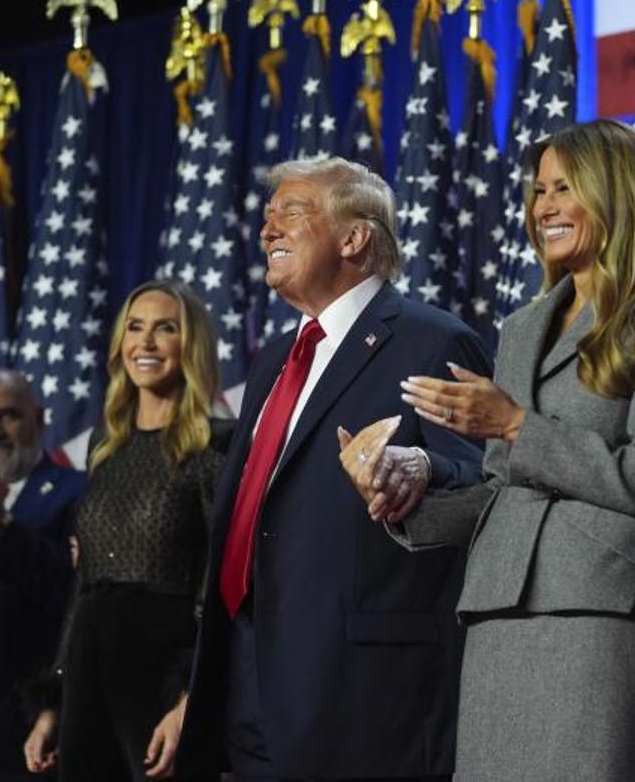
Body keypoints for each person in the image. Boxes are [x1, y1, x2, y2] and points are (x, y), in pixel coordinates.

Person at [338, 119, 635, 781]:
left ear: (615, 192)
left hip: (597, 610)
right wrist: (407, 500)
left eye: (565, 188)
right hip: (498, 611)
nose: (545, 208)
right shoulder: (523, 325)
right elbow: (503, 488)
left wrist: (516, 425)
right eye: (538, 191)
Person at [176, 156, 489, 782]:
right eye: (267, 218)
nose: (268, 231)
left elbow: (483, 480)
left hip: (359, 687)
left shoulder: (430, 340)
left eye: (290, 214)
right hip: (246, 661)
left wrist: (420, 466)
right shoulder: (275, 356)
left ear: (354, 238)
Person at [20, 280, 230, 781]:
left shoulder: (217, 445)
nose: (147, 343)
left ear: (191, 344)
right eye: (135, 328)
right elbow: (85, 584)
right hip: (89, 665)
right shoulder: (104, 446)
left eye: (166, 329)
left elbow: (219, 583)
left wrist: (188, 700)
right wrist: (54, 704)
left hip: (160, 677)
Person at [0, 370, 84, 782]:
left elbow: (72, 593)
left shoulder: (76, 491)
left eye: (8, 416)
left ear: (38, 419)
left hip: (27, 732)